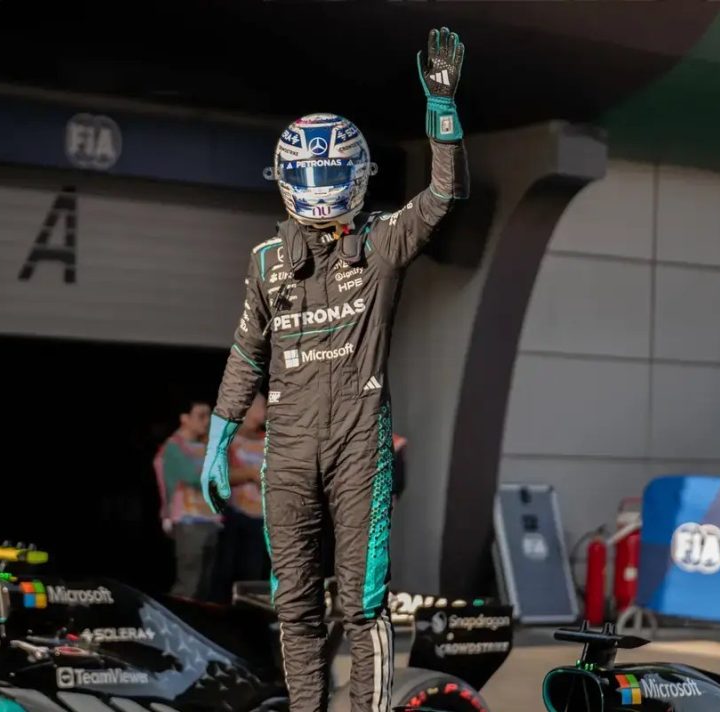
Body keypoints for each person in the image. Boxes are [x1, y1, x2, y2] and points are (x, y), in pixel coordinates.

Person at [199, 27, 468, 712]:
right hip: (287, 449)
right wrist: (219, 439)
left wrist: (442, 112)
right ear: (286, 179)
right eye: (308, 178)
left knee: (361, 602)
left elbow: (443, 196)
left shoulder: (381, 243)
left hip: (358, 444)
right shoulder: (267, 261)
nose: (320, 191)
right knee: (293, 605)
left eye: (330, 176)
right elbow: (246, 353)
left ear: (357, 174)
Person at [154, 398, 220, 599]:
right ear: (184, 418)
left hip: (209, 520)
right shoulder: (174, 447)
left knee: (205, 586)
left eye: (209, 416)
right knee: (189, 584)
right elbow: (196, 478)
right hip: (188, 521)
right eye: (201, 416)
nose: (206, 421)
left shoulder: (202, 445)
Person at [211, 393, 270, 602]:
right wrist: (249, 474)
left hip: (262, 518)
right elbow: (218, 476)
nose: (265, 410)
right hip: (234, 515)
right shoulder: (229, 439)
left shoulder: (270, 440)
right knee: (226, 572)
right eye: (260, 406)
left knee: (252, 574)